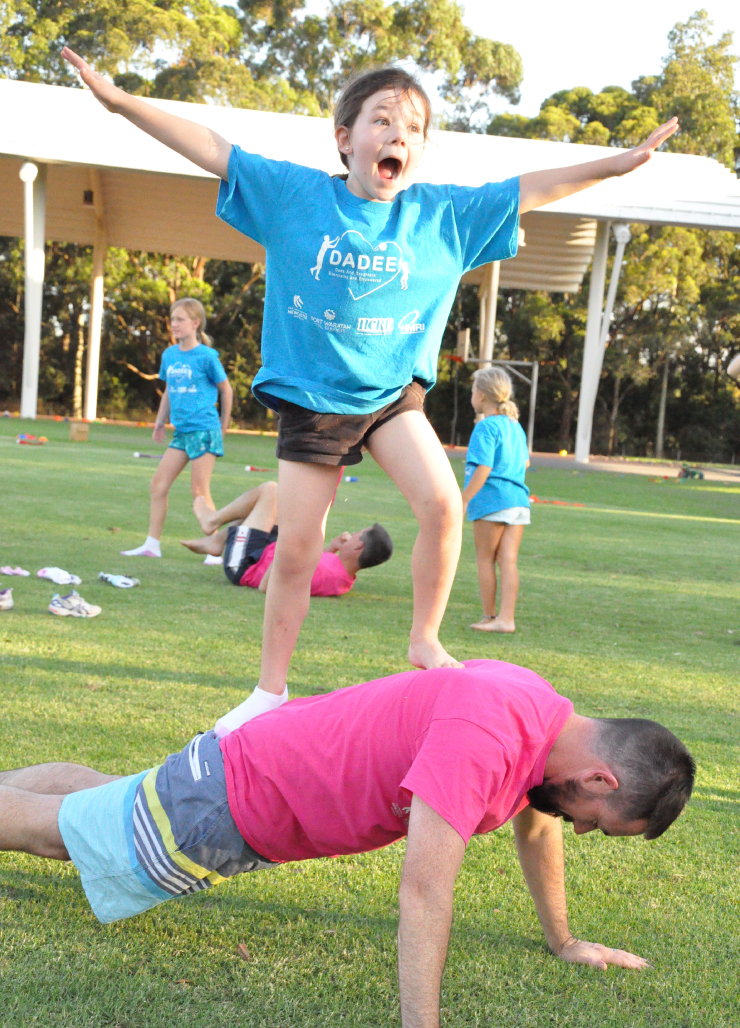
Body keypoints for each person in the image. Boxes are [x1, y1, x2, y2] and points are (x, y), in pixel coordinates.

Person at [62, 46, 679, 727]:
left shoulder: (440, 216)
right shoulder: (298, 196)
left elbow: (529, 188)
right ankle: (269, 690)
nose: (398, 135)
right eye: (382, 120)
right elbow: (215, 149)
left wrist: (615, 163)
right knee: (296, 549)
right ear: (344, 139)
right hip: (315, 400)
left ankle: (423, 640)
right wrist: (120, 103)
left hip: (390, 397)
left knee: (445, 508)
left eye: (412, 128)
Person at [0, 659, 694, 1026]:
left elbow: (536, 826)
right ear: (600, 777)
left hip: (244, 767)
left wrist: (563, 939)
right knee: (61, 836)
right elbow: (425, 894)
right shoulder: (485, 741)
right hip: (242, 798)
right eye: (595, 820)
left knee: (102, 799)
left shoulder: (535, 707)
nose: (577, 828)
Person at [122, 298, 233, 558]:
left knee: (199, 492)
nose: (175, 325)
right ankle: (152, 545)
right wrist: (160, 421)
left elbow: (226, 390)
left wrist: (223, 425)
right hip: (181, 433)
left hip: (204, 430)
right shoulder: (169, 355)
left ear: (195, 323)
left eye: (180, 320)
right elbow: (169, 392)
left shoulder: (207, 356)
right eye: (173, 320)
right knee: (158, 485)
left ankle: (215, 548)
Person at [181, 480, 392, 595]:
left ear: (358, 547)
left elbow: (269, 585)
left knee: (271, 491)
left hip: (245, 565)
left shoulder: (328, 574)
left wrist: (286, 543)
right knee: (281, 499)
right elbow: (307, 567)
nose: (352, 534)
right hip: (265, 551)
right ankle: (218, 541)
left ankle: (213, 523)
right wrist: (330, 548)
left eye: (357, 535)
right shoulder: (342, 574)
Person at [462, 368, 530, 634]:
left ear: (480, 396)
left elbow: (483, 468)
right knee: (508, 561)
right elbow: (525, 461)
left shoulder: (485, 427)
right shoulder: (515, 426)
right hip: (519, 501)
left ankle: (490, 616)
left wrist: (464, 498)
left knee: (484, 559)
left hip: (492, 502)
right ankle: (507, 619)